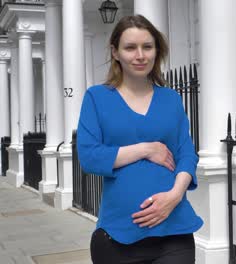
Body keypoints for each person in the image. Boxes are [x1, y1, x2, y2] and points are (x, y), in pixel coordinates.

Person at [77, 14, 203, 264]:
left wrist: (174, 196)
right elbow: (90, 157)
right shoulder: (96, 98)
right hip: (116, 237)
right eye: (130, 47)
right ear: (115, 52)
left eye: (147, 46)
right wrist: (145, 149)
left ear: (157, 51)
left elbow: (186, 154)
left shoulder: (171, 99)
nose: (140, 55)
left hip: (174, 232)